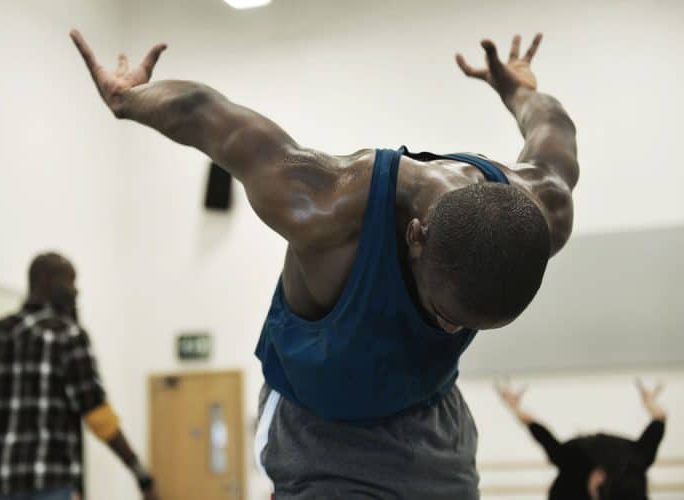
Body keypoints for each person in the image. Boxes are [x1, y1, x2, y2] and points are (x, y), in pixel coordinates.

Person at [70, 29, 578, 499]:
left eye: (466, 325)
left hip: (427, 411)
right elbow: (209, 116)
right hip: (314, 423)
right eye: (445, 313)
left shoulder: (543, 208)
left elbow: (553, 130)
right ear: (415, 237)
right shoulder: (327, 204)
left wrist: (520, 91)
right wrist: (129, 99)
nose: (449, 327)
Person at [0, 253, 158, 500]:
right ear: (45, 280)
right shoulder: (68, 336)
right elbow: (97, 414)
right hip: (50, 484)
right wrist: (140, 474)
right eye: (70, 282)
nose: (75, 291)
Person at [496, 380, 667, 500]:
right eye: (602, 481)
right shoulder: (635, 461)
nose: (599, 480)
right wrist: (650, 402)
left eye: (597, 486)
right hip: (610, 456)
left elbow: (537, 430)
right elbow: (660, 418)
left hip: (581, 456)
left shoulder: (569, 467)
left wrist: (514, 406)